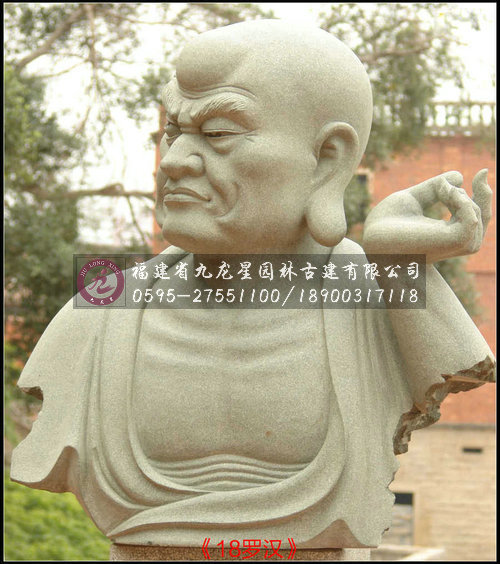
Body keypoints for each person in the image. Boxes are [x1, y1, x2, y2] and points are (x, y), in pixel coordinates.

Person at [11, 20, 495, 549]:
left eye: (218, 134)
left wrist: (397, 265)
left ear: (327, 159)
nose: (173, 161)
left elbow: (460, 367)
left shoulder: (380, 304)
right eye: (173, 131)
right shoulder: (100, 311)